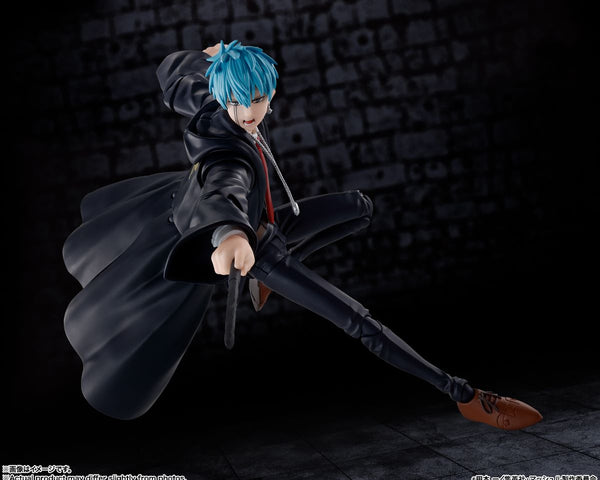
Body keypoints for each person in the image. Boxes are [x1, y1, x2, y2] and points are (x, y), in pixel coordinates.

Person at [63, 40, 542, 430]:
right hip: (256, 243)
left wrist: (207, 56)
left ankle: (265, 280)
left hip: (273, 222)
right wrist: (230, 234)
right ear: (223, 98)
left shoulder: (210, 97)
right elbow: (224, 188)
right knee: (359, 322)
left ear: (268, 92)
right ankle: (465, 395)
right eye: (236, 102)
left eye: (256, 99)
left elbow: (172, 76)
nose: (247, 112)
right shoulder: (225, 153)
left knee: (359, 207)